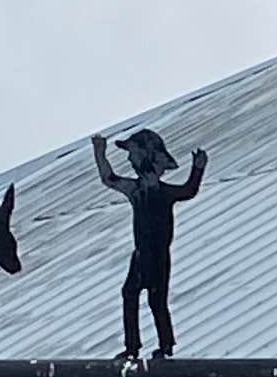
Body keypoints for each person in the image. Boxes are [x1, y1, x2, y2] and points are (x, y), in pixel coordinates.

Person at [88, 127, 207, 361]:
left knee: (155, 299)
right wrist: (99, 154)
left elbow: (189, 190)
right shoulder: (137, 189)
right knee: (133, 294)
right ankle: (138, 347)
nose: (130, 160)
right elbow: (108, 179)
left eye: (133, 154)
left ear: (145, 157)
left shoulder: (158, 192)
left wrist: (198, 168)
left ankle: (162, 346)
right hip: (141, 254)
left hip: (156, 254)